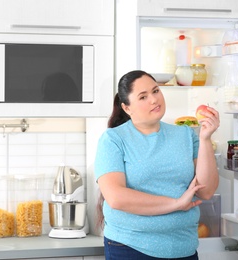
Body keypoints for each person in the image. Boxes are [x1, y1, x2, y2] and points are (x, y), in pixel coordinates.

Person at [94, 70, 219, 260]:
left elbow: (206, 190)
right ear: (127, 108)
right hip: (131, 248)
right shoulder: (113, 139)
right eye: (143, 97)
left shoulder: (185, 135)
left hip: (184, 248)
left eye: (156, 91)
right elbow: (116, 198)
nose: (154, 100)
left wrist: (205, 139)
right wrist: (177, 204)